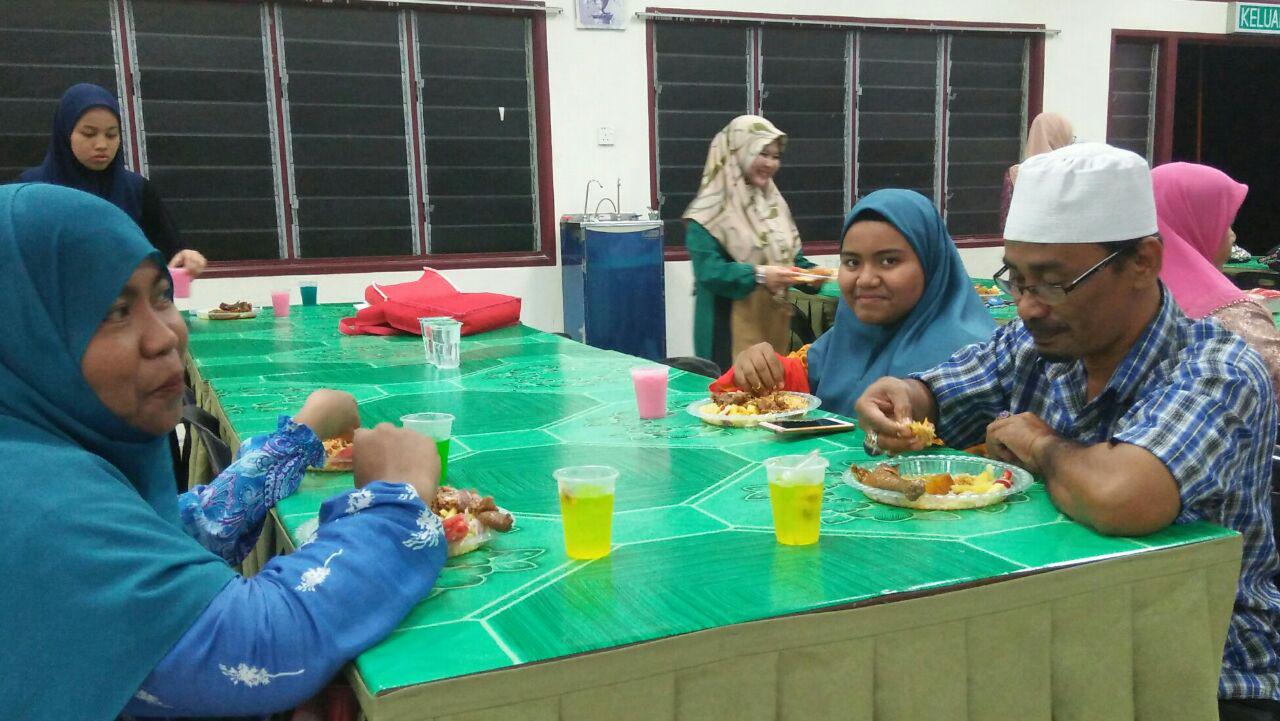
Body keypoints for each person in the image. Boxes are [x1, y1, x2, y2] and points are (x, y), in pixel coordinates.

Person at [854, 143, 1280, 719]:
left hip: (1201, 673)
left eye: (1054, 283)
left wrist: (1039, 445)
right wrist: (900, 398)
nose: (1028, 307)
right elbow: (938, 390)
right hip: (1060, 642)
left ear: (1143, 262)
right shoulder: (1036, 345)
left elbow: (1121, 497)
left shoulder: (1218, 369)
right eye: (1018, 281)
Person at [0, 183, 448, 719]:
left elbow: (177, 535)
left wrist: (296, 440)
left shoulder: (36, 445)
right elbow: (259, 646)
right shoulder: (30, 500)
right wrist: (394, 503)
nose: (166, 336)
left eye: (161, 296)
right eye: (115, 311)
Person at [712, 189, 995, 417]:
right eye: (852, 262)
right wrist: (757, 367)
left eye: (889, 261)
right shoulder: (846, 338)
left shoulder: (975, 363)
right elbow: (790, 384)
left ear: (931, 265)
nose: (866, 279)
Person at [17, 82, 207, 277]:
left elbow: (171, 253)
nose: (102, 144)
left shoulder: (137, 190)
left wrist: (186, 257)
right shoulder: (29, 190)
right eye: (89, 134)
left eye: (111, 135)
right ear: (65, 134)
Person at [683, 114, 823, 371]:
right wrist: (760, 275)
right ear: (737, 151)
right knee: (732, 392)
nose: (770, 163)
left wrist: (812, 275)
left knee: (771, 386)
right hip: (726, 331)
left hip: (771, 324)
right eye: (762, 153)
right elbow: (709, 272)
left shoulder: (773, 206)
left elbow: (791, 259)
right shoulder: (708, 212)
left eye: (776, 156)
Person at [1153, 162, 1280, 400]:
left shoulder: (1119, 297)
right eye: (1226, 224)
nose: (1233, 235)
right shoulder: (1233, 316)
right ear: (1196, 225)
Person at [998, 112, 1073, 230]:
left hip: (1024, 239)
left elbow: (1005, 222)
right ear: (1062, 136)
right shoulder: (1071, 173)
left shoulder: (1016, 173)